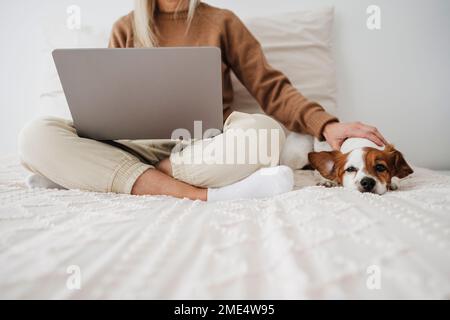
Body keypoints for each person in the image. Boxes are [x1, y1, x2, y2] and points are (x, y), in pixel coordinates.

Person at [18, 0, 387, 202]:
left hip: (204, 144)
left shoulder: (222, 21)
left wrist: (325, 124)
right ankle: (203, 195)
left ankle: (96, 176)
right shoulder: (126, 26)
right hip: (132, 145)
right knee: (35, 136)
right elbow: (110, 106)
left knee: (265, 134)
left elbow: (271, 87)